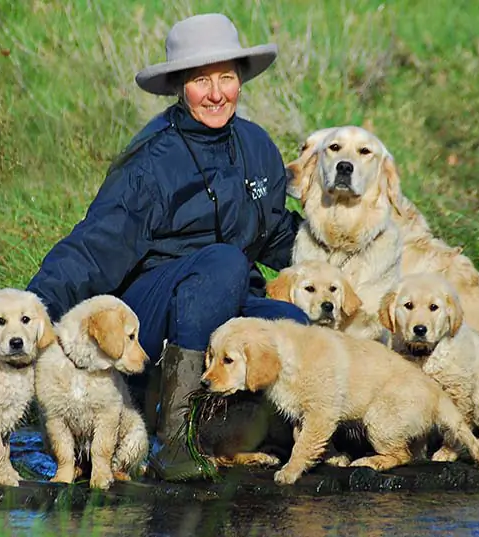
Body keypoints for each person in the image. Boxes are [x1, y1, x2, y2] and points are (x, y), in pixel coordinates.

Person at [26, 13, 308, 481]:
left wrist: (361, 252)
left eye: (226, 78)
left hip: (229, 300)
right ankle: (178, 441)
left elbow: (279, 235)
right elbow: (93, 249)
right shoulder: (152, 160)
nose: (217, 93)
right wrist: (32, 311)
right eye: (202, 80)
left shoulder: (257, 146)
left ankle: (254, 438)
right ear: (180, 85)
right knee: (223, 262)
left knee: (294, 324)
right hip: (153, 310)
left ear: (240, 80)